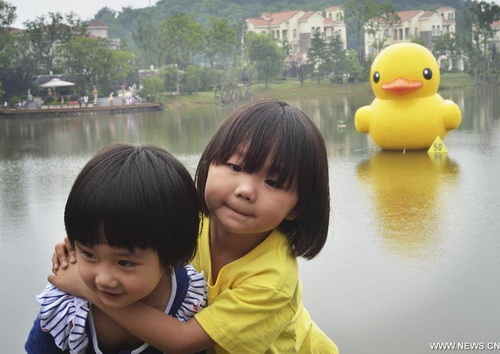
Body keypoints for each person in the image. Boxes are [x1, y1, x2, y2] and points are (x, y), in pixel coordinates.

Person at [51, 99, 339, 353]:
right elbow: (130, 223)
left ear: (297, 207)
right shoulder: (189, 216)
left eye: (274, 182)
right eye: (235, 167)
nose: (246, 190)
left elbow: (182, 341)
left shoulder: (272, 279)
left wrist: (87, 289)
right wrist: (86, 244)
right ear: (209, 161)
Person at [26, 144, 207, 354]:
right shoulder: (65, 309)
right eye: (89, 254)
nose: (103, 279)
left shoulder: (188, 299)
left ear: (171, 254)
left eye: (125, 262)